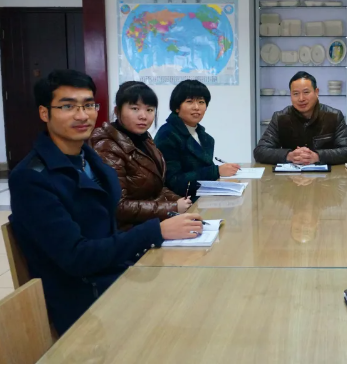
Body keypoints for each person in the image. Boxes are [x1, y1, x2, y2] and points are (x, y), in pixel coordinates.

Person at [8, 70, 203, 335]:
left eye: (88, 105)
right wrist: (155, 231)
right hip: (85, 300)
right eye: (68, 106)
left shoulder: (89, 159)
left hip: (116, 273)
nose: (82, 115)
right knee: (189, 317)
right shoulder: (32, 178)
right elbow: (77, 257)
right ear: (44, 113)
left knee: (199, 287)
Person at [91, 82, 192, 231]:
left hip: (152, 222)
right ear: (117, 111)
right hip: (129, 231)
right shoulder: (107, 146)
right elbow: (119, 206)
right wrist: (173, 207)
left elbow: (157, 188)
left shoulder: (144, 139)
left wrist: (180, 201)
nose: (143, 116)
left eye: (149, 110)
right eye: (135, 109)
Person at [155, 80, 239, 200]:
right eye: (189, 101)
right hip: (181, 203)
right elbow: (174, 182)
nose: (196, 107)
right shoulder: (167, 135)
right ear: (177, 107)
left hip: (204, 199)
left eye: (201, 102)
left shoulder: (206, 138)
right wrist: (216, 171)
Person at [253, 71, 347, 165]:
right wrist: (289, 156)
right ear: (290, 95)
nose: (301, 99)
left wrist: (317, 156)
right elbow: (260, 151)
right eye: (296, 94)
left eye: (306, 92)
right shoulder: (280, 118)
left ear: (316, 92)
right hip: (290, 175)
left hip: (327, 175)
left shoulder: (334, 116)